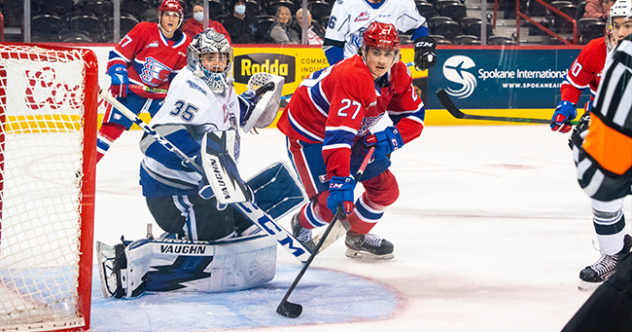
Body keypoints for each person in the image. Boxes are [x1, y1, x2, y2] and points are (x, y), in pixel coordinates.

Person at [97, 29, 278, 299]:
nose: (216, 63)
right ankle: (139, 262)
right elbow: (155, 141)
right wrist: (200, 159)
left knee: (241, 218)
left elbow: (226, 114)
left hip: (205, 182)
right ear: (196, 59)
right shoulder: (189, 86)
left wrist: (252, 100)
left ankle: (189, 235)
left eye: (221, 57)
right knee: (219, 233)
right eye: (209, 57)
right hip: (172, 189)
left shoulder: (223, 84)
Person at [276, 22, 426, 259]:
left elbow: (414, 117)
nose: (382, 60)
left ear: (396, 55)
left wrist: (393, 138)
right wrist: (340, 182)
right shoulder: (352, 76)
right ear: (363, 51)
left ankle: (356, 237)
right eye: (376, 52)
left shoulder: (398, 73)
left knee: (386, 191)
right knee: (329, 206)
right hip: (309, 132)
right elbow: (338, 139)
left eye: (388, 54)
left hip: (350, 132)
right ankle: (302, 222)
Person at [554, 0, 632, 291]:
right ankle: (614, 253)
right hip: (609, 127)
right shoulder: (596, 50)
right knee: (604, 193)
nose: (622, 31)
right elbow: (574, 81)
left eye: (629, 26)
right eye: (618, 24)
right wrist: (565, 106)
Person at [97, 0, 190, 163]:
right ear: (160, 16)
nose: (171, 19)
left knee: (173, 133)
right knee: (111, 129)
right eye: (167, 14)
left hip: (160, 98)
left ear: (180, 19)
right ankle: (86, 168)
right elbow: (118, 55)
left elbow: (177, 78)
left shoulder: (186, 43)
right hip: (131, 91)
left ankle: (174, 171)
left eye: (175, 15)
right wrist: (118, 72)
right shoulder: (144, 30)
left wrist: (176, 94)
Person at [322, 0, 436, 72]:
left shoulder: (401, 2)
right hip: (353, 71)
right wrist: (342, 72)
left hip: (386, 72)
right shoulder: (346, 3)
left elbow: (419, 26)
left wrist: (423, 48)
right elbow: (332, 44)